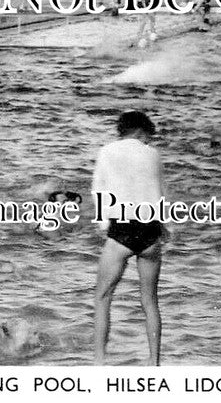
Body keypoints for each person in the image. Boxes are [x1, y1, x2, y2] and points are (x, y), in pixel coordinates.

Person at [92, 110, 166, 365]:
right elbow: (160, 194)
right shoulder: (153, 155)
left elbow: (98, 190)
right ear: (139, 131)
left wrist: (104, 225)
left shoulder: (107, 152)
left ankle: (99, 363)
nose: (148, 142)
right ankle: (154, 363)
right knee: (150, 301)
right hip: (150, 229)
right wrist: (165, 228)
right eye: (147, 137)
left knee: (102, 297)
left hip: (121, 228)